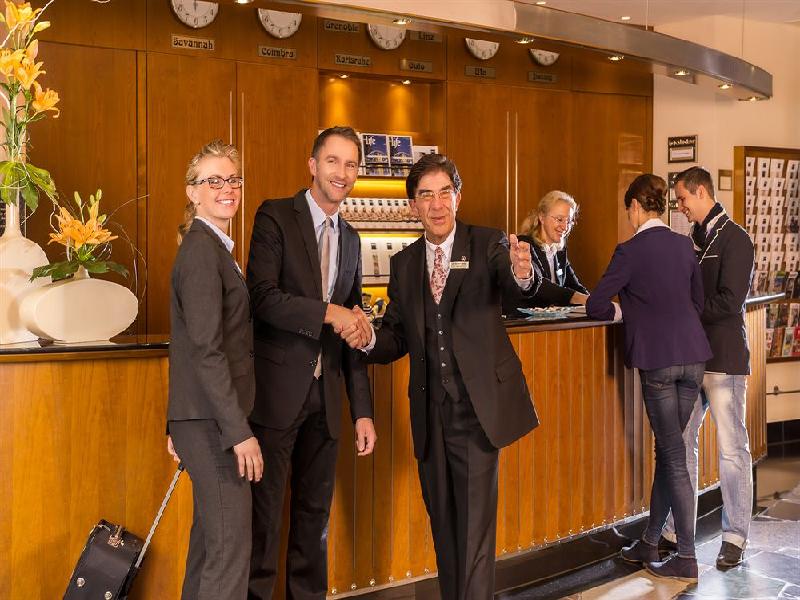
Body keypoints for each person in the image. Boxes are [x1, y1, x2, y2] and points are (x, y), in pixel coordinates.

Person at [346, 153, 540, 599]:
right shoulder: (405, 263)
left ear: (458, 197)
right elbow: (397, 335)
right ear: (413, 205)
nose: (437, 204)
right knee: (445, 531)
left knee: (474, 535)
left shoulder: (487, 243)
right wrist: (369, 338)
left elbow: (515, 287)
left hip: (476, 412)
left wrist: (522, 272)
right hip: (430, 416)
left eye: (445, 193)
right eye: (426, 195)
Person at [246, 126, 377, 599]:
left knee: (313, 522)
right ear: (313, 165)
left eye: (351, 164)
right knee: (263, 525)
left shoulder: (353, 239)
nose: (342, 172)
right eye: (333, 161)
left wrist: (362, 411)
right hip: (276, 399)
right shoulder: (276, 216)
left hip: (326, 401)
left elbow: (352, 329)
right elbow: (262, 297)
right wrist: (328, 312)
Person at [586, 173, 712, 582]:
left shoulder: (629, 250)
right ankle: (651, 540)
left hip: (658, 362)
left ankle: (687, 556)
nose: (629, 217)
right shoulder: (684, 245)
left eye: (629, 210)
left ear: (637, 207)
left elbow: (596, 304)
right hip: (693, 358)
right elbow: (697, 302)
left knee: (672, 455)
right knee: (670, 451)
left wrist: (627, 312)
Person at [166, 140, 263, 600]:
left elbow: (188, 344)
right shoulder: (203, 251)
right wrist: (239, 432)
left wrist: (177, 422)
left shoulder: (212, 247)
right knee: (228, 553)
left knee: (211, 547)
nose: (227, 188)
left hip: (202, 419)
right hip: (215, 424)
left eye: (233, 179)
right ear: (193, 192)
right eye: (214, 181)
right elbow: (206, 350)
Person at [661, 166, 756, 569]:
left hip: (723, 361)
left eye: (683, 199)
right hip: (690, 359)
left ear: (701, 192)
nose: (680, 207)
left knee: (732, 449)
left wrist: (684, 311)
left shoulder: (736, 238)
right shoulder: (691, 242)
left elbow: (730, 302)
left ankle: (734, 537)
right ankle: (676, 530)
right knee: (682, 444)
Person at [505, 190, 589, 314]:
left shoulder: (559, 251)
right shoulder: (523, 244)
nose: (565, 227)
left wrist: (594, 301)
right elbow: (540, 286)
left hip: (551, 321)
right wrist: (579, 298)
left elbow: (575, 285)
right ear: (542, 217)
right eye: (559, 219)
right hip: (524, 321)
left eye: (569, 221)